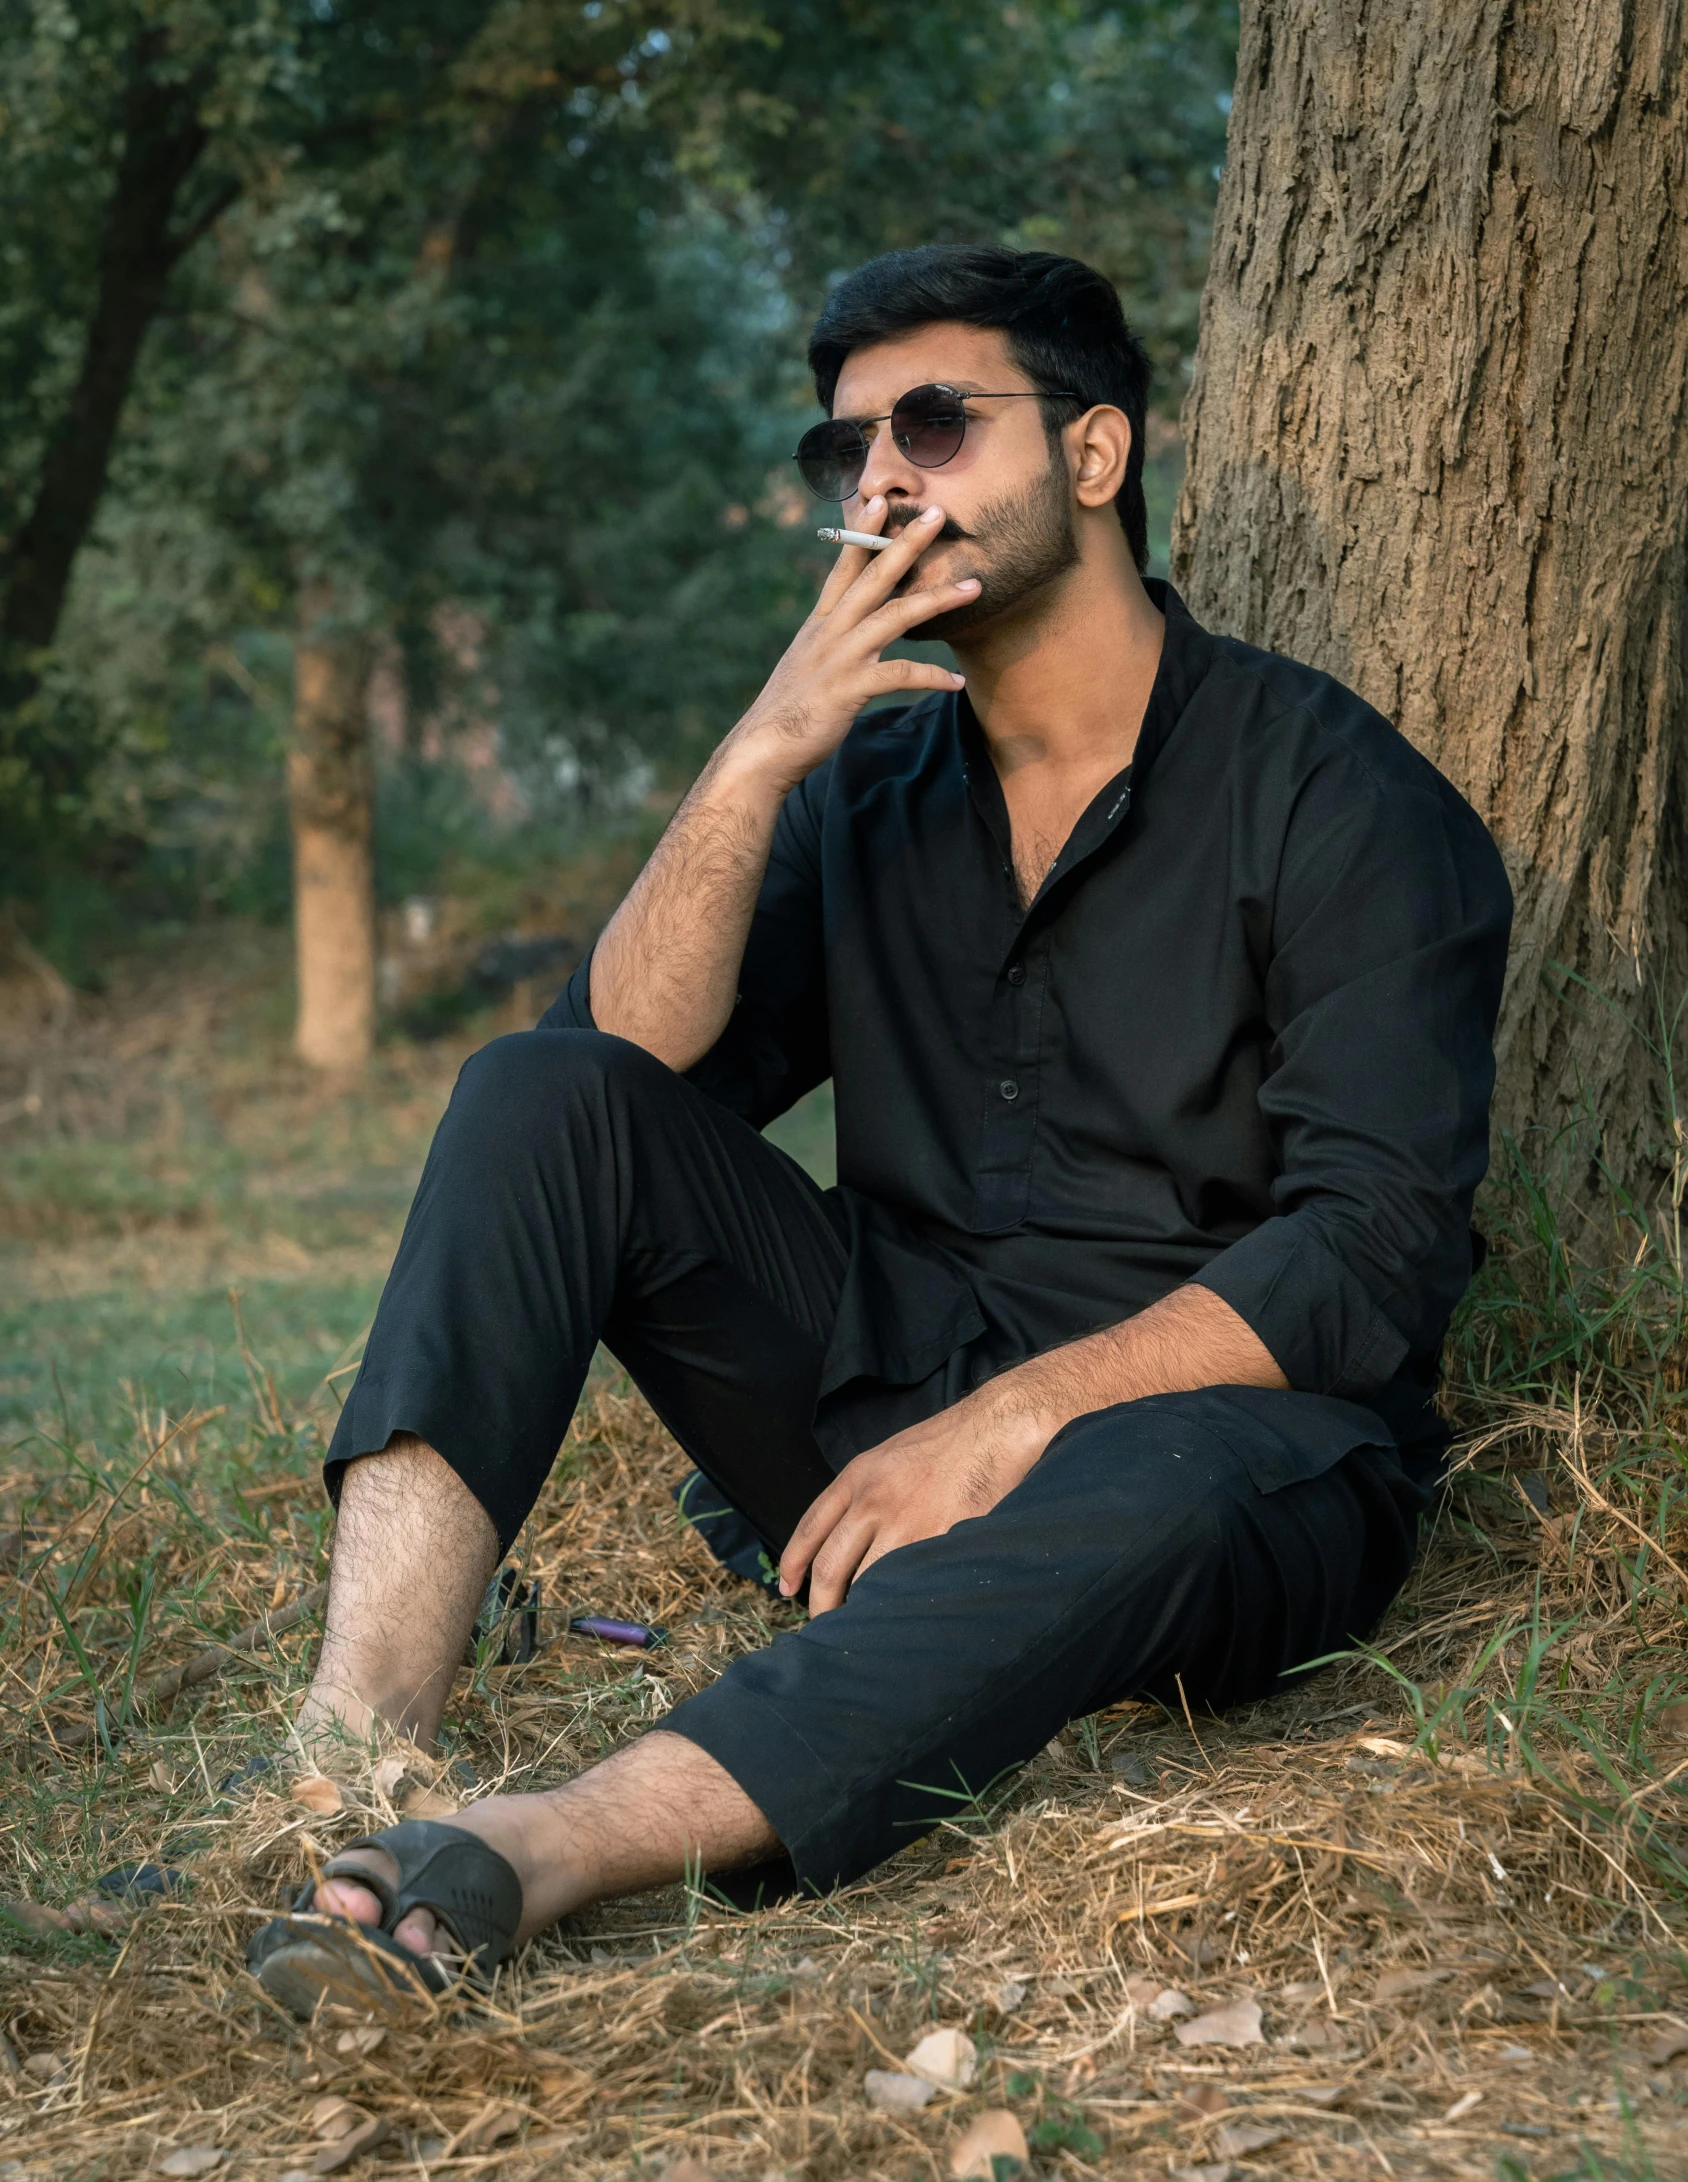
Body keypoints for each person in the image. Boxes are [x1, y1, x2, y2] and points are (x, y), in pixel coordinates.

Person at [249, 244, 1512, 2016]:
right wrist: (756, 756)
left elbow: (1375, 1246)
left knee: (1163, 1468)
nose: (884, 478)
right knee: (535, 1090)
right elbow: (614, 1079)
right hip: (889, 1405)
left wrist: (1005, 1429)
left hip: (1219, 1461)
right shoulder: (865, 786)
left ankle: (535, 1849)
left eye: (936, 419)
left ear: (1094, 456)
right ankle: (349, 1757)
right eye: (848, 448)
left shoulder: (1339, 794)